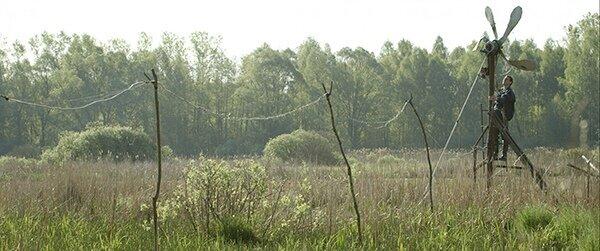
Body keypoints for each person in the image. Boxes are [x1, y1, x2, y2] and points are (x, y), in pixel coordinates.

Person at [489, 75, 516, 161]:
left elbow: (504, 99)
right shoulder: (501, 91)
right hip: (498, 115)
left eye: (507, 79)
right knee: (495, 135)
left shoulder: (510, 92)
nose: (504, 79)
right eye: (504, 78)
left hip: (504, 116)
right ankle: (495, 154)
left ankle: (504, 155)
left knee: (505, 136)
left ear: (510, 82)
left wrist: (496, 98)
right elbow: (498, 97)